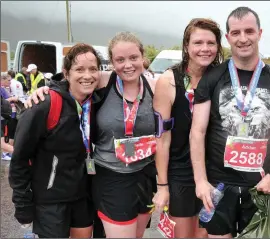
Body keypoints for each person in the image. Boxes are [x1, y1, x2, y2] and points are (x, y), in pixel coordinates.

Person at [25, 32, 160, 238]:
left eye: (134, 58)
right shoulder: (105, 81)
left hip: (144, 175)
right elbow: (72, 82)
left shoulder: (156, 85)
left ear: (143, 57)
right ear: (112, 62)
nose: (128, 65)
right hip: (111, 175)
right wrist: (44, 90)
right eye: (120, 60)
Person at [190, 7, 270, 238]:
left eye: (249, 31)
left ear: (260, 33)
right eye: (236, 33)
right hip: (219, 185)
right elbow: (197, 131)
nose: (243, 38)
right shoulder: (212, 77)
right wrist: (200, 181)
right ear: (228, 37)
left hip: (261, 184)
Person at [8, 43, 101, 238]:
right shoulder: (44, 104)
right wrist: (23, 204)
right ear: (66, 73)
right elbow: (19, 158)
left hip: (83, 197)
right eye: (79, 69)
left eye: (93, 69)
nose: (88, 75)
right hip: (51, 201)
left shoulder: (95, 103)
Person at [152, 18, 223, 238]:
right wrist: (162, 186)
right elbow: (161, 139)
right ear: (186, 46)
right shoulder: (169, 81)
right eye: (198, 42)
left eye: (211, 43)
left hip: (214, 170)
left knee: (205, 234)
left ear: (218, 47)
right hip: (180, 172)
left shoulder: (222, 78)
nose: (205, 49)